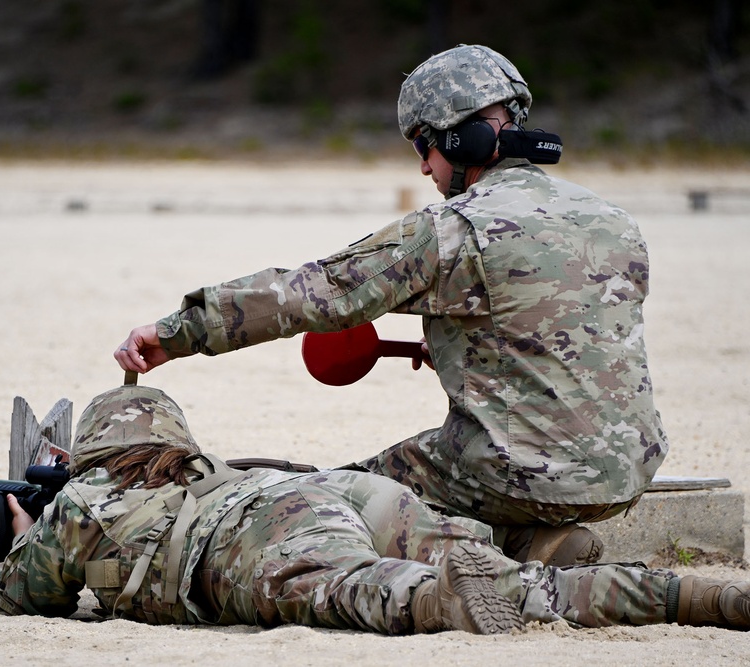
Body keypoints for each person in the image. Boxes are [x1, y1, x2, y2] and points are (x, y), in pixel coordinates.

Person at [113, 44, 669, 566]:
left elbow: (315, 295)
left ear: (459, 141)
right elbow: (571, 332)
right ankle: (536, 540)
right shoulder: (614, 221)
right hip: (625, 475)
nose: (424, 169)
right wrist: (473, 348)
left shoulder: (452, 230)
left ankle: (513, 542)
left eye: (423, 145)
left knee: (334, 496)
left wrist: (174, 333)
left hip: (522, 473)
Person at [0, 384, 749, 635]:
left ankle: (699, 597)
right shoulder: (200, 466)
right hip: (326, 490)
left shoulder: (84, 498)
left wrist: (23, 536)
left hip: (258, 543)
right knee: (474, 556)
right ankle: (540, 548)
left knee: (449, 598)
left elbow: (24, 593)